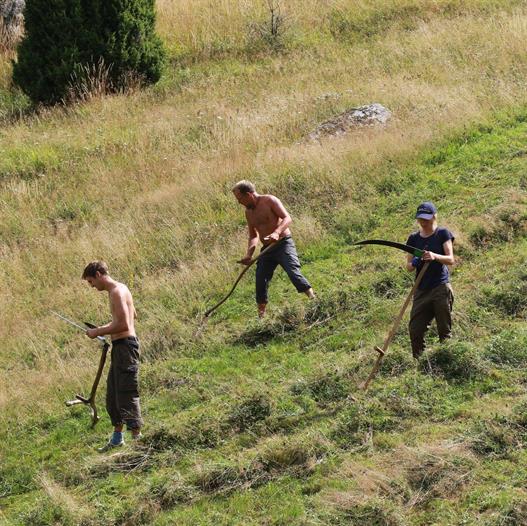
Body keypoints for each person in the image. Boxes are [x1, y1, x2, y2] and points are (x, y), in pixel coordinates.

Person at [82, 261, 143, 451]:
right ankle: (117, 438)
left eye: (91, 281)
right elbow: (132, 315)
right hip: (120, 347)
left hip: (126, 347)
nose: (92, 286)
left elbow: (124, 324)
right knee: (113, 394)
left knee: (126, 392)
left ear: (98, 274)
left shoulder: (116, 291)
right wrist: (108, 328)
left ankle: (138, 440)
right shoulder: (120, 289)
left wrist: (98, 331)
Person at [232, 180, 315, 318]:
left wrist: (277, 232)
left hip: (283, 243)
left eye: (240, 198)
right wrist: (249, 254)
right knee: (260, 280)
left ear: (248, 194)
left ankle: (313, 299)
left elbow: (287, 218)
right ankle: (261, 316)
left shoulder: (270, 200)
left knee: (293, 271)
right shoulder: (248, 212)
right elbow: (253, 235)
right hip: (267, 250)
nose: (239, 202)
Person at [406, 202, 455, 359]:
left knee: (444, 329)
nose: (423, 222)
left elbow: (450, 259)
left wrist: (434, 256)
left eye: (426, 218)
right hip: (421, 290)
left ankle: (446, 360)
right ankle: (420, 362)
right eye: (420, 218)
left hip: (440, 287)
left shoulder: (442, 234)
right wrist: (415, 261)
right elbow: (409, 267)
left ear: (434, 216)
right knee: (415, 329)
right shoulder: (414, 239)